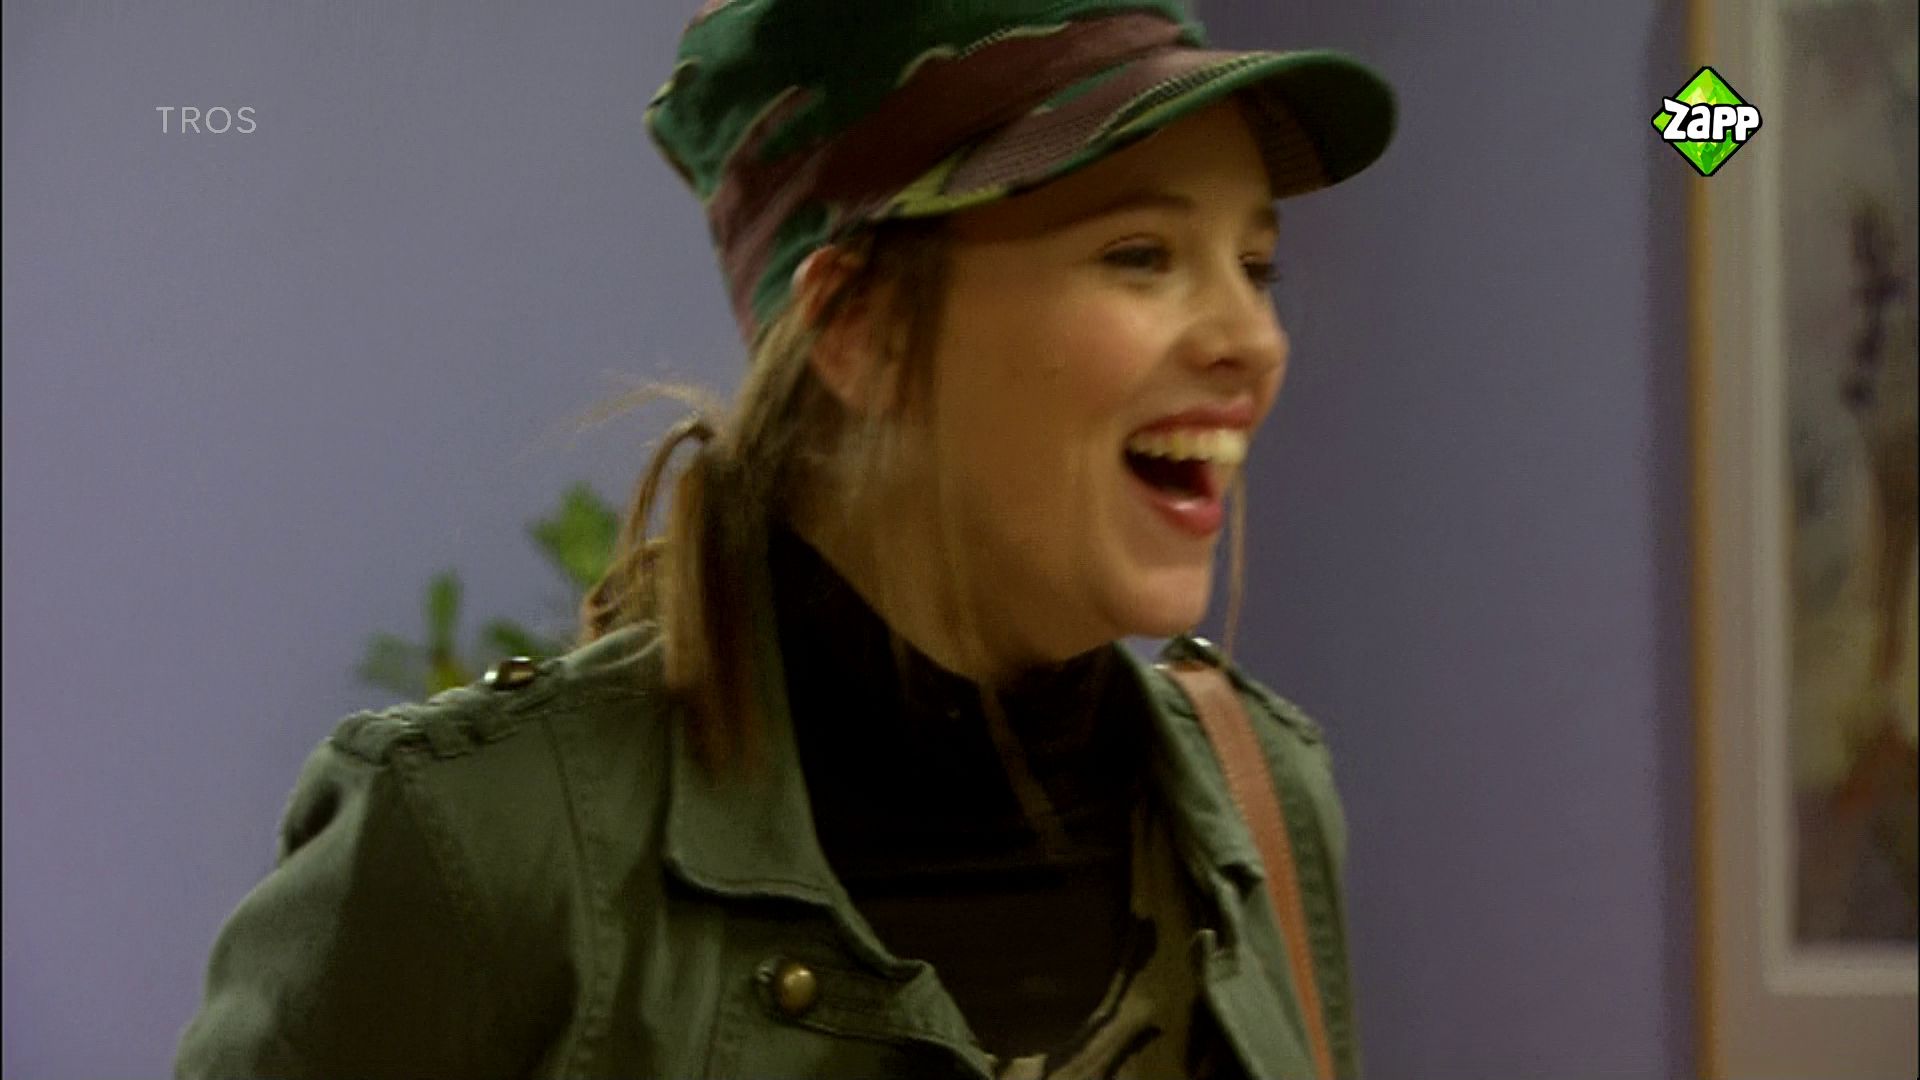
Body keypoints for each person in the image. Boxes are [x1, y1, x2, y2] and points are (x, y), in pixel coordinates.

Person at [174, 1, 1396, 1076]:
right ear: (855, 327)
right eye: (1141, 255)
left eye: (1256, 266)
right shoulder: (475, 850)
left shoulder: (1262, 804)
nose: (1253, 342)